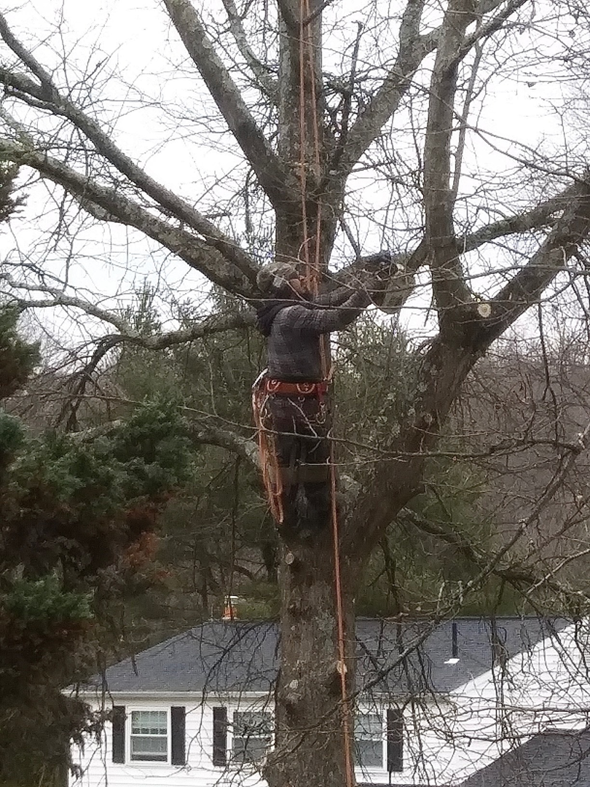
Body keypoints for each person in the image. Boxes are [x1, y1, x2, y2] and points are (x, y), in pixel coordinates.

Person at [253, 259, 385, 533]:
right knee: (310, 469)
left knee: (296, 467)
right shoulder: (290, 315)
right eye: (297, 277)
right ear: (286, 285)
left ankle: (301, 520)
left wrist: (360, 282)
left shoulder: (285, 311)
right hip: (299, 408)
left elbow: (327, 301)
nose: (304, 279)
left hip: (291, 406)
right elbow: (337, 317)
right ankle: (312, 522)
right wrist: (370, 287)